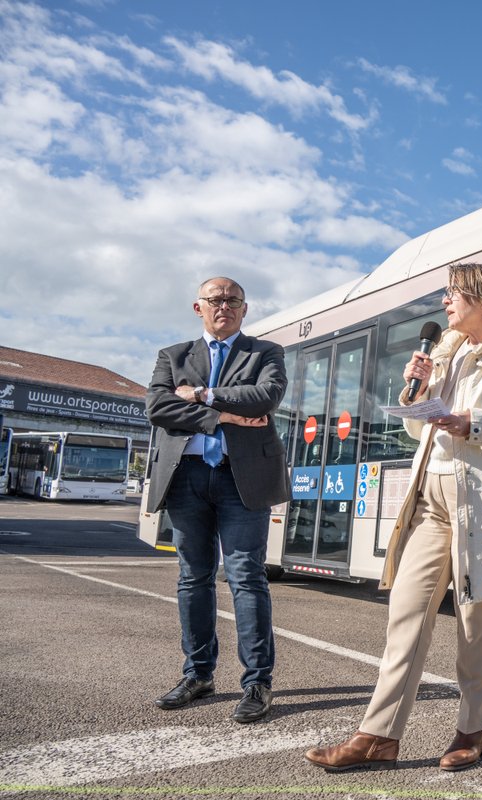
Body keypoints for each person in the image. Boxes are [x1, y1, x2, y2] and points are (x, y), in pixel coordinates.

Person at [304, 262, 482, 772]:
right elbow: (423, 434)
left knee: (474, 625)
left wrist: (473, 421)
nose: (444, 303)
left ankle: (471, 729)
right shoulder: (447, 352)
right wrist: (418, 395)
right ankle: (378, 736)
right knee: (406, 616)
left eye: (452, 294)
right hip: (432, 502)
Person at [145, 276, 289, 724]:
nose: (223, 306)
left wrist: (204, 395)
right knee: (193, 577)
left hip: (241, 478)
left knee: (246, 576)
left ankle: (257, 682)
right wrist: (224, 415)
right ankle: (198, 674)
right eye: (215, 300)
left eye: (232, 300)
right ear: (198, 307)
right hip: (186, 477)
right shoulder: (173, 356)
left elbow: (267, 396)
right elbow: (158, 408)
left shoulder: (265, 353)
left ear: (244, 309)